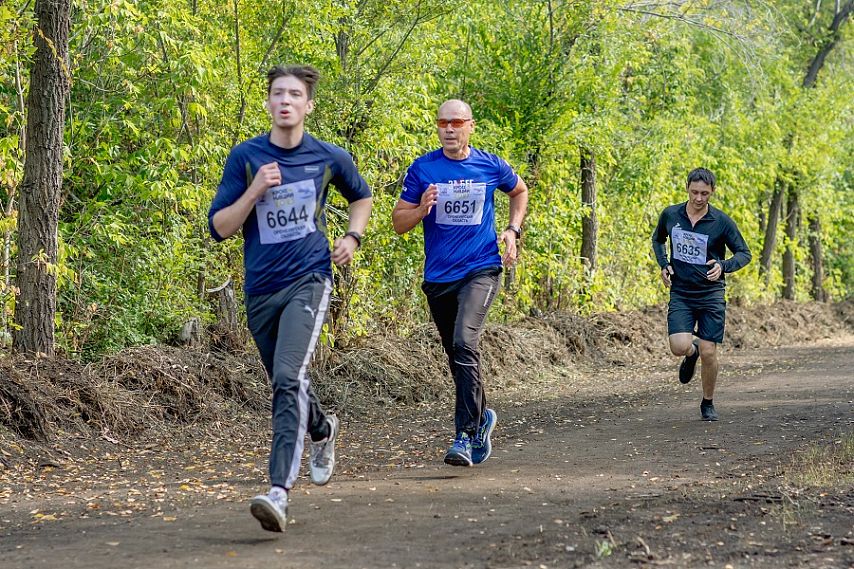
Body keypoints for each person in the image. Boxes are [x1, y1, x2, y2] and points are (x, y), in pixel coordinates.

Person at [208, 64, 372, 532]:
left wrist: (353, 236)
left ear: (308, 105)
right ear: (268, 103)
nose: (285, 101)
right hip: (261, 290)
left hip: (310, 279)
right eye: (278, 93)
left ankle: (279, 491)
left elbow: (361, 197)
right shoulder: (246, 157)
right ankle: (322, 427)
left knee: (286, 377)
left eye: (294, 94)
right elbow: (220, 228)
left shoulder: (327, 156)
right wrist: (255, 189)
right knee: (287, 381)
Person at [392, 99, 528, 466]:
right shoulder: (423, 168)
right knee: (457, 355)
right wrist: (421, 209)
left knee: (465, 341)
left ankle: (465, 435)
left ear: (470, 126)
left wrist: (512, 230)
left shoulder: (490, 164)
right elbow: (399, 222)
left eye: (456, 122)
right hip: (439, 277)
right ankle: (482, 417)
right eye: (442, 123)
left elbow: (519, 190)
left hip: (481, 268)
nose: (449, 129)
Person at [652, 167, 751, 421]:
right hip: (682, 292)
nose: (698, 198)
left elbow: (744, 253)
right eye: (694, 192)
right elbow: (658, 239)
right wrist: (664, 264)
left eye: (704, 193)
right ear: (687, 188)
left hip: (711, 294)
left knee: (709, 351)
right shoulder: (671, 214)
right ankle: (690, 353)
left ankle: (707, 402)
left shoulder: (721, 222)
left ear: (712, 192)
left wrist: (723, 266)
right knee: (678, 347)